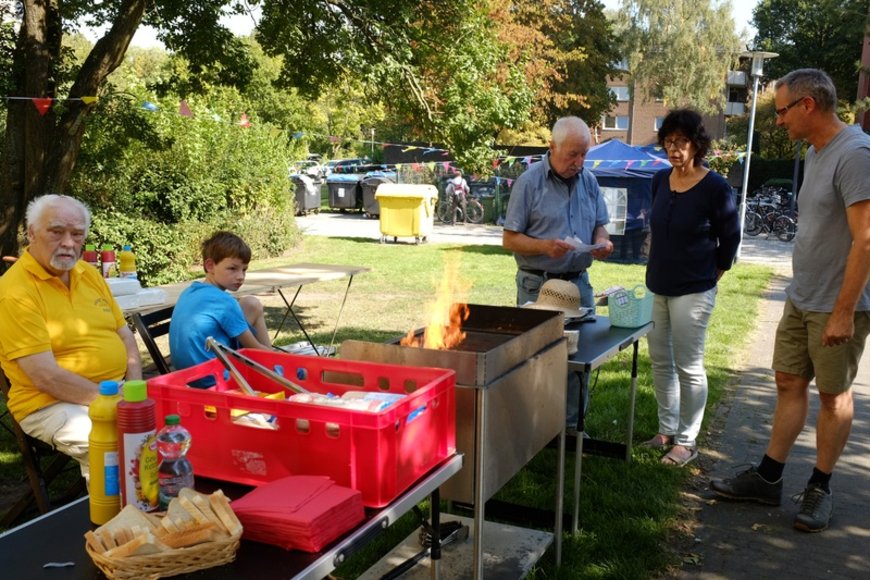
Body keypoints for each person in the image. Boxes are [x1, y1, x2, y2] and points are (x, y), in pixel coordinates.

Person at [711, 69, 870, 532]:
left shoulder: (856, 155)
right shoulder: (819, 153)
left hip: (837, 304)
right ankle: (769, 478)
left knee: (833, 394)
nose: (777, 121)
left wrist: (844, 310)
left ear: (807, 106)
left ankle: (820, 487)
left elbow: (865, 240)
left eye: (781, 111)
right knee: (787, 382)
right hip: (802, 296)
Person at [0, 194, 142, 479]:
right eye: (56, 232)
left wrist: (136, 389)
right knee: (112, 445)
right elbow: (45, 377)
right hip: (49, 403)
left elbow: (126, 338)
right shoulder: (15, 291)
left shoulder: (88, 273)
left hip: (114, 392)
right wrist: (117, 402)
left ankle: (159, 515)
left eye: (77, 234)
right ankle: (118, 522)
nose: (68, 243)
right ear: (31, 233)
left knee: (178, 427)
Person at [642, 109, 740, 466]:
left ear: (697, 144)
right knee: (660, 362)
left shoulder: (715, 187)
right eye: (668, 142)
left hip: (694, 291)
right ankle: (666, 430)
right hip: (658, 285)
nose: (673, 148)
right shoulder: (658, 180)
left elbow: (730, 236)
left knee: (689, 365)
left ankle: (686, 440)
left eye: (681, 141)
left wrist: (715, 273)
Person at [503, 116, 614, 432]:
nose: (579, 163)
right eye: (572, 155)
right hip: (538, 285)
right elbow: (509, 239)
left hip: (579, 285)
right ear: (552, 147)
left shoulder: (589, 181)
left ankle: (572, 428)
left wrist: (603, 241)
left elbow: (599, 225)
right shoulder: (529, 182)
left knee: (579, 361)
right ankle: (535, 428)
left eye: (584, 155)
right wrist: (543, 247)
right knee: (536, 359)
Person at [169, 231, 272, 376]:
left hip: (186, 375)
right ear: (210, 266)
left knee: (251, 303)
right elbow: (254, 349)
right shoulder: (223, 302)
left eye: (244, 270)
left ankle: (274, 359)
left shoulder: (189, 291)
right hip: (216, 379)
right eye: (232, 268)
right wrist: (289, 361)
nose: (241, 277)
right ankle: (275, 363)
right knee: (274, 364)